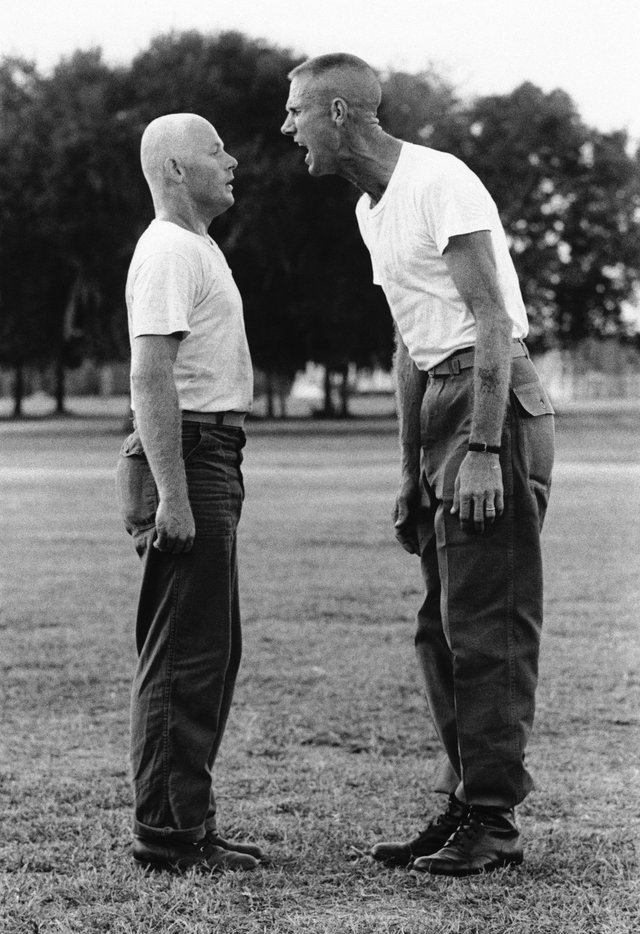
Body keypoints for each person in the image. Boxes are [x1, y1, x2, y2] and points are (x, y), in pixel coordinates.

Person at [281, 54, 555, 877]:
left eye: (295, 112)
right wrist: (410, 470)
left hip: (490, 403)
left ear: (337, 112)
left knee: (487, 627)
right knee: (440, 630)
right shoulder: (373, 208)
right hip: (441, 402)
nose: (286, 127)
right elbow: (408, 343)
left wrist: (479, 449)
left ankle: (495, 824)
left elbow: (493, 321)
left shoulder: (442, 181)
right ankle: (467, 802)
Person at [116, 113, 263, 873]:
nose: (232, 160)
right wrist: (174, 495)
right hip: (190, 455)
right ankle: (169, 836)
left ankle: (185, 824)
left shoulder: (194, 246)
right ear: (176, 169)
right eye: (216, 150)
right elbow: (151, 373)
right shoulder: (171, 249)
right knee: (185, 657)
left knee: (209, 651)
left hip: (209, 452)